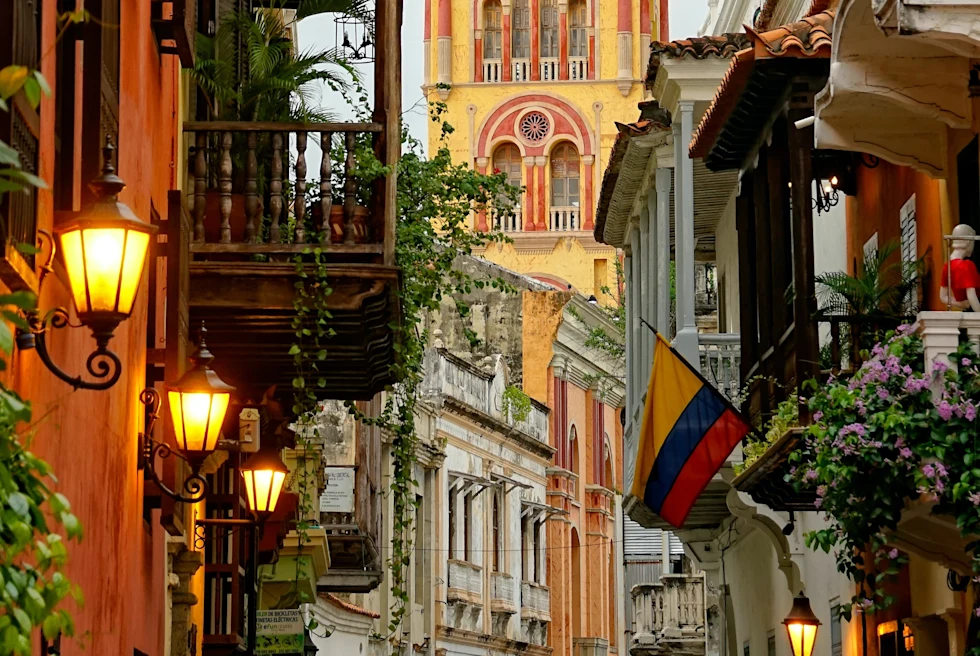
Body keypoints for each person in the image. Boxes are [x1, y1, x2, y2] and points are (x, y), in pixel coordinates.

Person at [940, 223, 980, 312]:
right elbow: (971, 295)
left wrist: (963, 305)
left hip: (968, 311)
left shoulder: (948, 266)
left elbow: (943, 297)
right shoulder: (966, 265)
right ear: (968, 241)